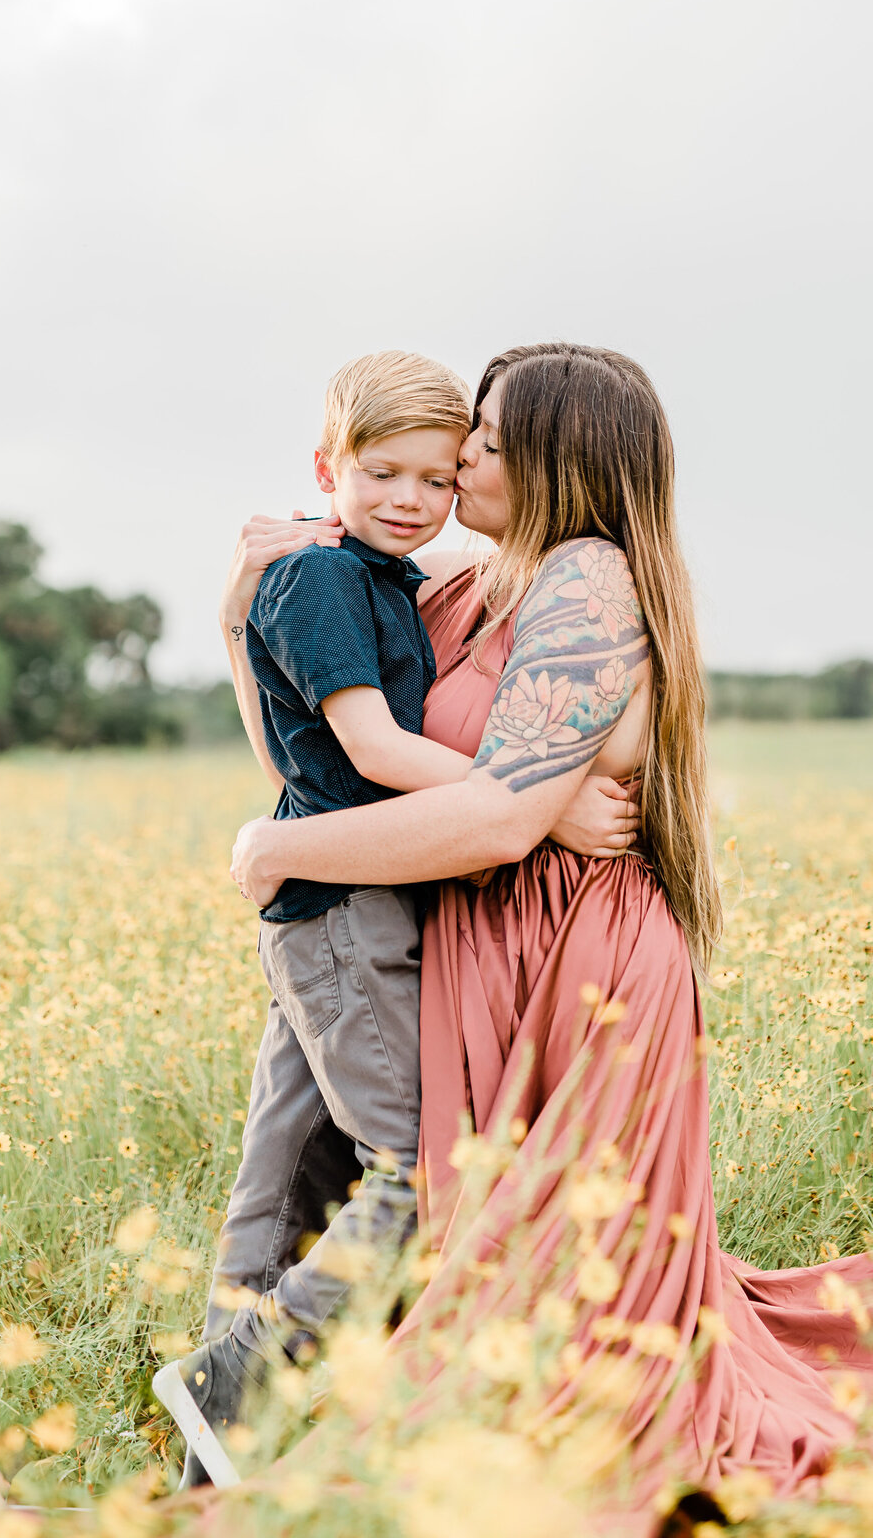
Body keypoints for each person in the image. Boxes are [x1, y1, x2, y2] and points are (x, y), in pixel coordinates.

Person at [227, 343, 873, 1522]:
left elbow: (497, 816)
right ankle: (247, 1401)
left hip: (575, 963)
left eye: (484, 443)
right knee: (388, 1200)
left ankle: (255, 1397)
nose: (459, 465)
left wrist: (273, 851)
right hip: (476, 938)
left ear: (556, 458)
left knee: (548, 1289)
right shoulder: (464, 576)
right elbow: (323, 741)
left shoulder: (586, 580)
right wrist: (241, 601)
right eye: (457, 447)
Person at [156, 350, 634, 1491]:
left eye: (439, 471)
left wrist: (234, 620)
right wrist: (544, 797)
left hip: (347, 901)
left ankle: (205, 1468)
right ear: (330, 468)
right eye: (385, 474)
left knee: (286, 1175)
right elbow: (360, 751)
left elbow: (299, 735)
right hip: (347, 908)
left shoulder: (384, 574)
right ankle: (236, 1377)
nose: (418, 497)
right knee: (420, 1170)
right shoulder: (321, 578)